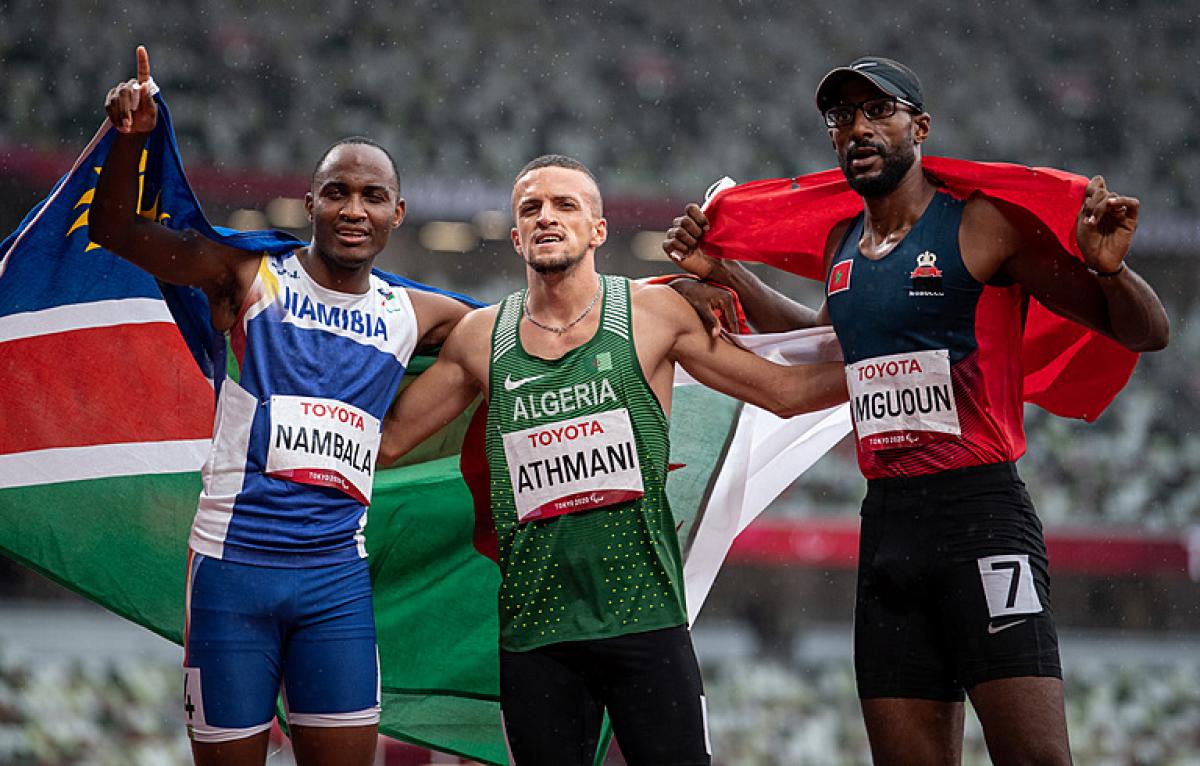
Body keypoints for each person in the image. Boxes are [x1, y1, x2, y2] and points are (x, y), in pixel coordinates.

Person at [663, 56, 1169, 765]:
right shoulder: (845, 246)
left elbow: (1146, 332)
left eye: (878, 111)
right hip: (889, 527)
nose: (857, 129)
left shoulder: (982, 227)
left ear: (920, 127)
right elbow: (832, 350)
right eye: (842, 118)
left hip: (982, 520)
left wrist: (1110, 270)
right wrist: (728, 276)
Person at [377, 154, 847, 765]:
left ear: (598, 230)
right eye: (531, 209)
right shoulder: (478, 338)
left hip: (645, 624)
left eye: (566, 205)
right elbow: (386, 442)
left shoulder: (656, 316)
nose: (547, 217)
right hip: (536, 636)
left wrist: (902, 363)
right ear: (516, 235)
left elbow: (785, 394)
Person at [91, 47, 470, 766]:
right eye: (336, 192)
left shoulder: (415, 314)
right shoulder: (250, 275)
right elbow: (119, 233)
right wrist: (129, 142)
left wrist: (655, 307)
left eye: (371, 195)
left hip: (335, 583)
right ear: (311, 203)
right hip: (233, 572)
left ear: (398, 212)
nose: (353, 209)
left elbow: (531, 330)